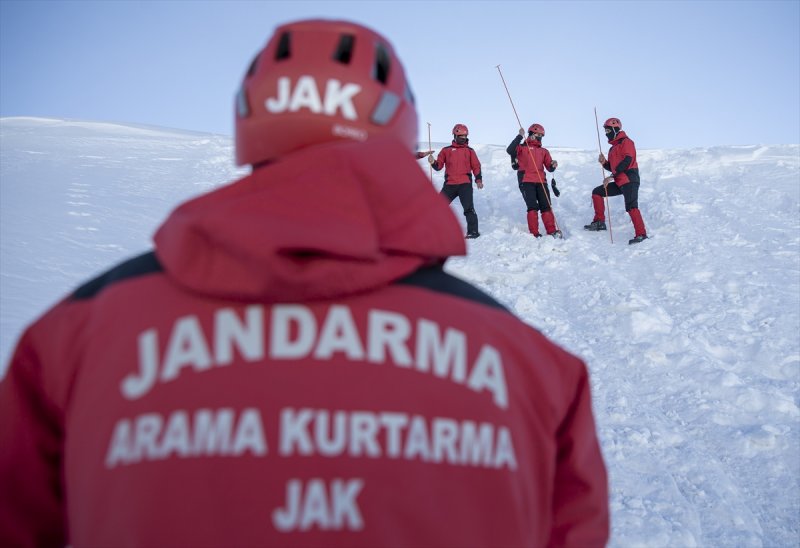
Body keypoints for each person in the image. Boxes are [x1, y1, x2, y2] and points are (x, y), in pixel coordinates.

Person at [0, 19, 609, 548]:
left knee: (495, 209)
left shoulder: (72, 341)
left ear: (251, 119)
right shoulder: (533, 368)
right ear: (400, 125)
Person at [584, 117, 648, 244]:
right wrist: (604, 163)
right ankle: (599, 222)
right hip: (619, 181)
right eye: (605, 131)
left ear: (615, 129)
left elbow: (627, 161)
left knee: (631, 206)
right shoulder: (613, 148)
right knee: (597, 192)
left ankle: (641, 234)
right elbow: (613, 167)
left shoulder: (626, 142)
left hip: (630, 179)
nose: (606, 133)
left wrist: (611, 176)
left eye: (608, 130)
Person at [428, 124, 483, 239]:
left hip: (465, 184)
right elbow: (438, 166)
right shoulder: (446, 150)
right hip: (450, 185)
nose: (463, 138)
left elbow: (476, 166)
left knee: (469, 208)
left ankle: (473, 232)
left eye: (465, 136)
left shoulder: (470, 151)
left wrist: (478, 179)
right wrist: (433, 162)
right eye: (461, 136)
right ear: (455, 135)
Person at [507, 123, 561, 238]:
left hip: (541, 181)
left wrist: (553, 164)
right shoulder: (522, 147)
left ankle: (552, 231)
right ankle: (534, 233)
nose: (539, 137)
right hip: (526, 181)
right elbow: (510, 150)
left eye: (541, 135)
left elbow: (549, 168)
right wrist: (520, 136)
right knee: (532, 206)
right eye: (537, 134)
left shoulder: (544, 151)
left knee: (546, 206)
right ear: (531, 133)